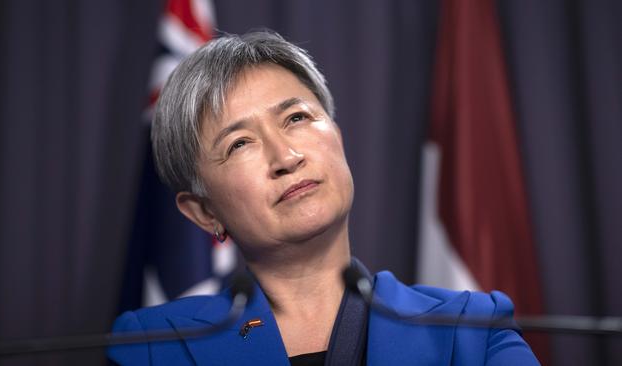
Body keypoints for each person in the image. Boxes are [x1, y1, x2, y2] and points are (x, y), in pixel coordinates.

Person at [108, 31, 540, 366]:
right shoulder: (151, 346)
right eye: (239, 143)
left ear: (338, 138)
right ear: (203, 211)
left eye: (297, 117)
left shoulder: (471, 328)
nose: (286, 157)